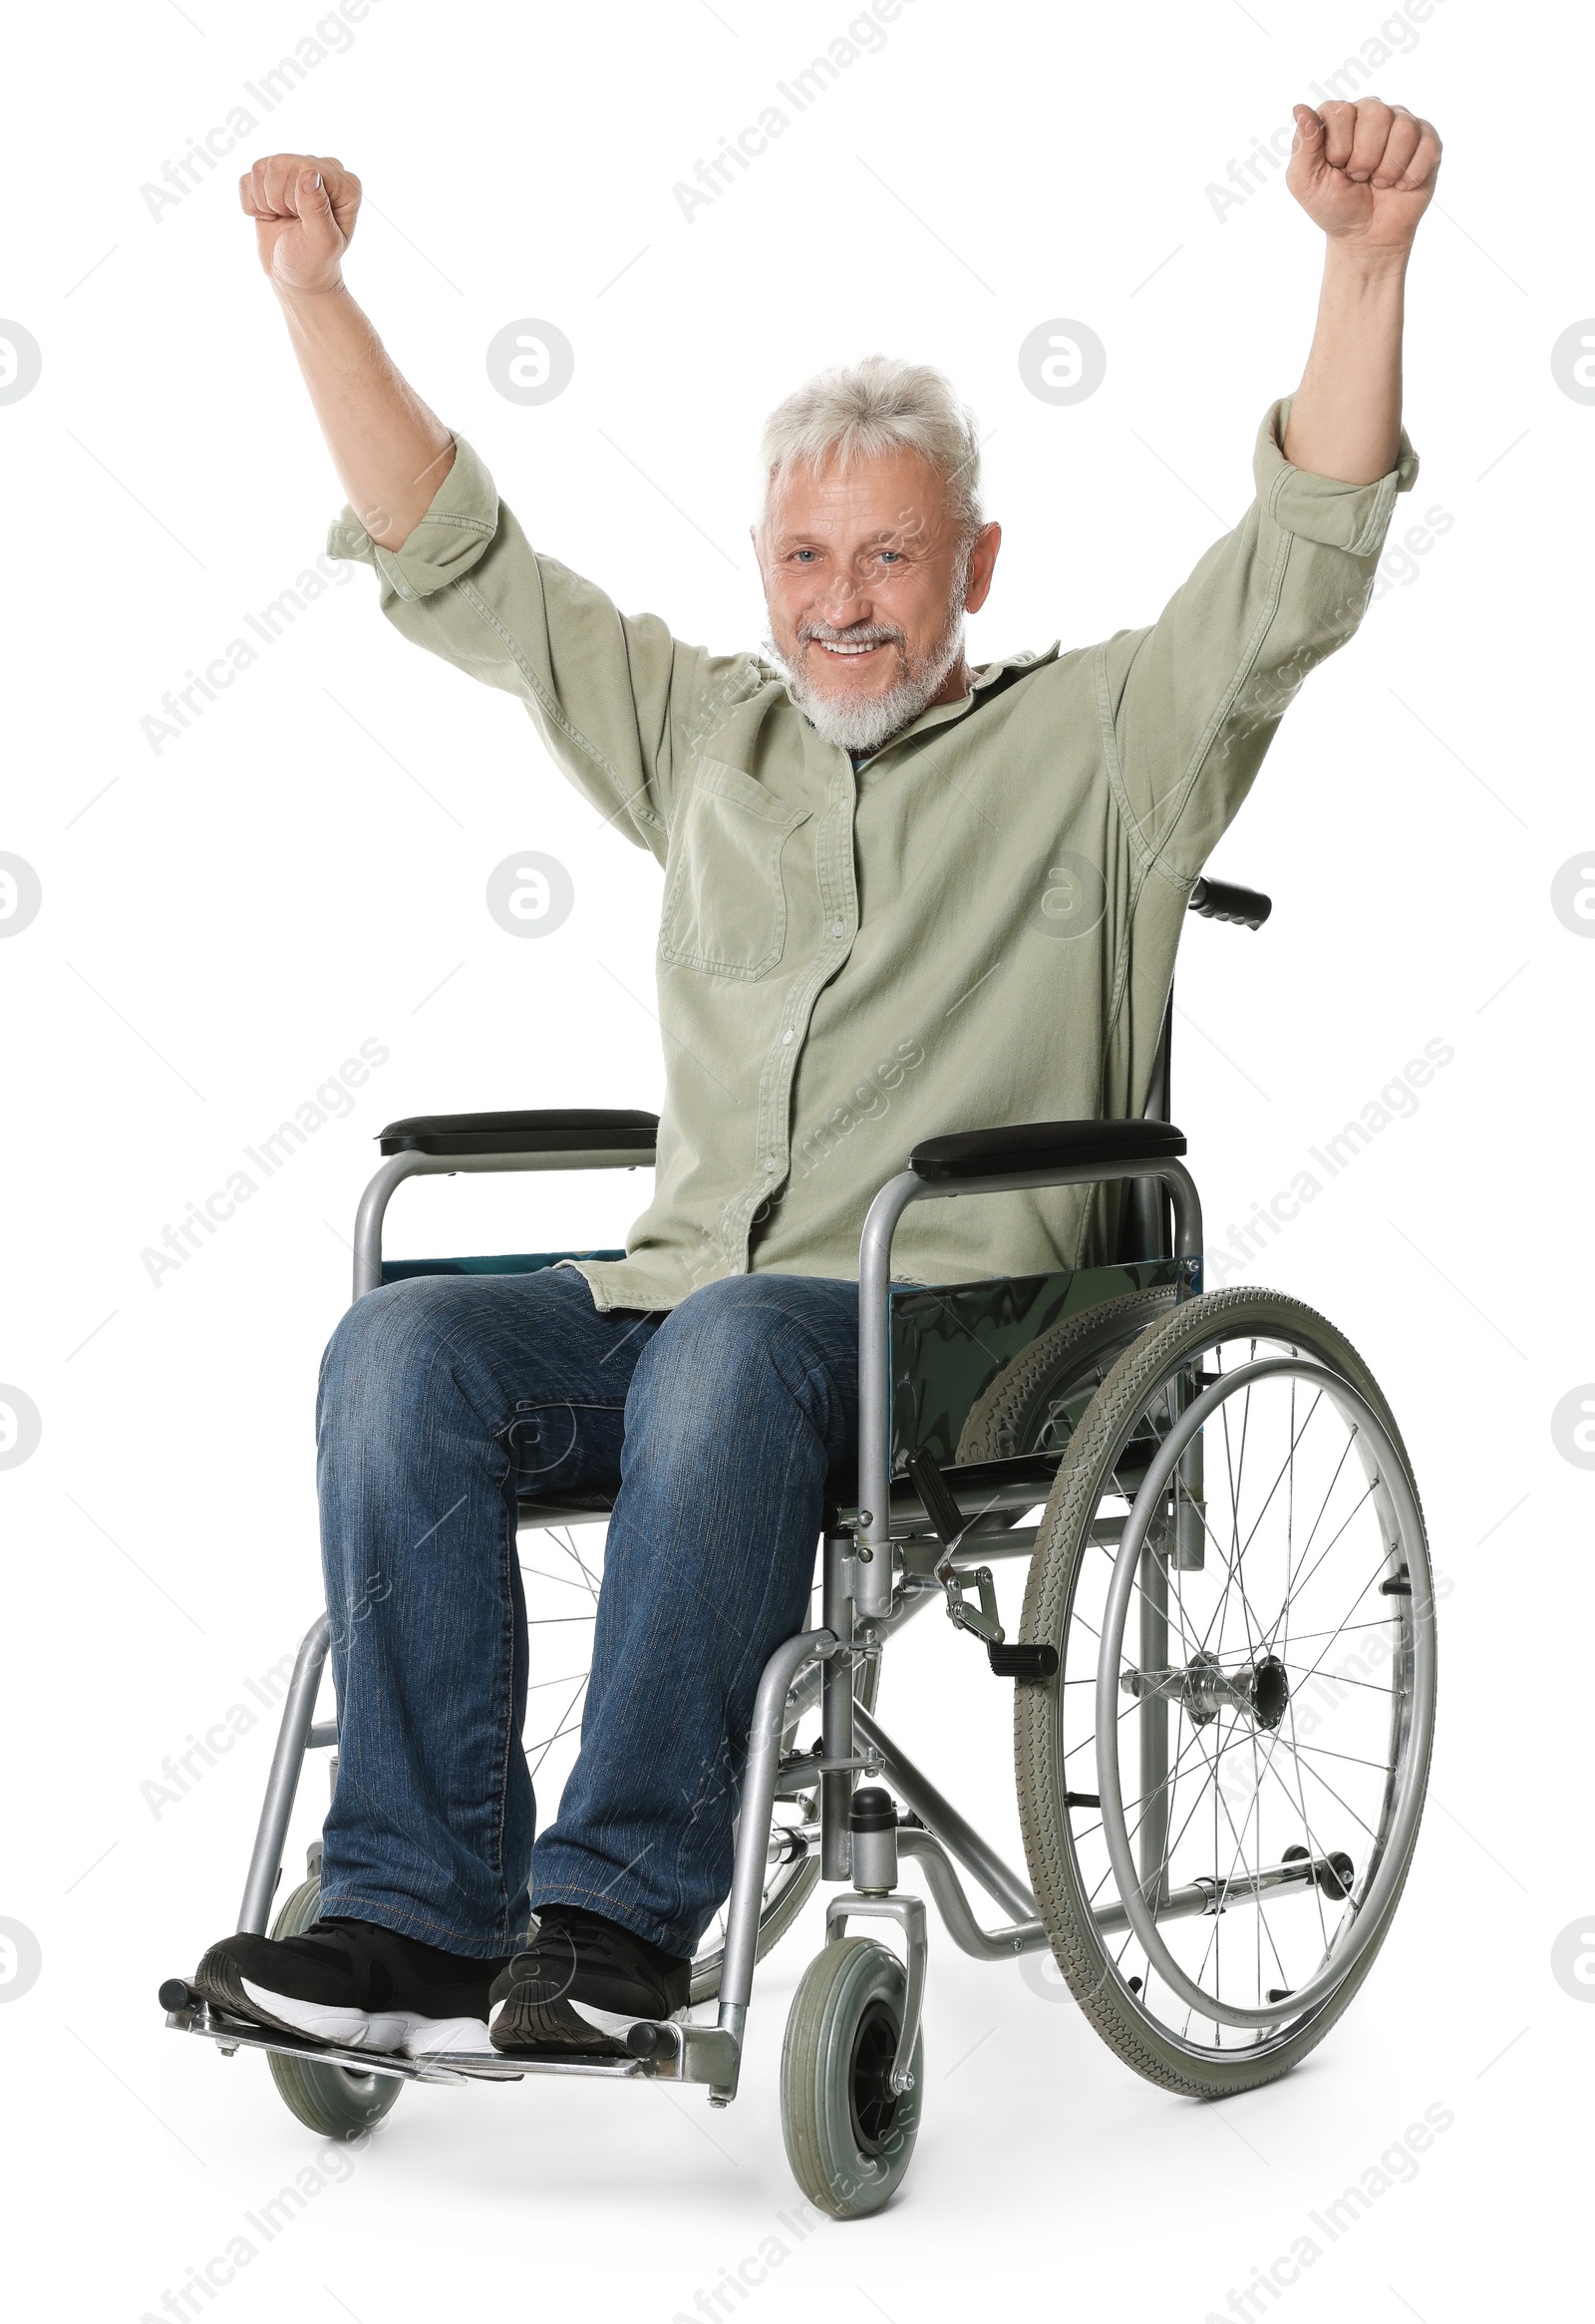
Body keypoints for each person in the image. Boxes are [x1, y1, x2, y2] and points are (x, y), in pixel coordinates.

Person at [194, 99, 1440, 2061]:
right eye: (801, 554)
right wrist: (312, 288)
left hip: (976, 1318)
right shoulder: (708, 740)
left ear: (971, 559)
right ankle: (419, 1905)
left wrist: (1358, 264)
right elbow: (462, 567)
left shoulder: (1103, 739)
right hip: (704, 1297)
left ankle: (612, 1921)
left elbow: (1297, 568)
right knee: (402, 1351)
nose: (839, 598)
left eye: (885, 554)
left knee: (735, 1346)